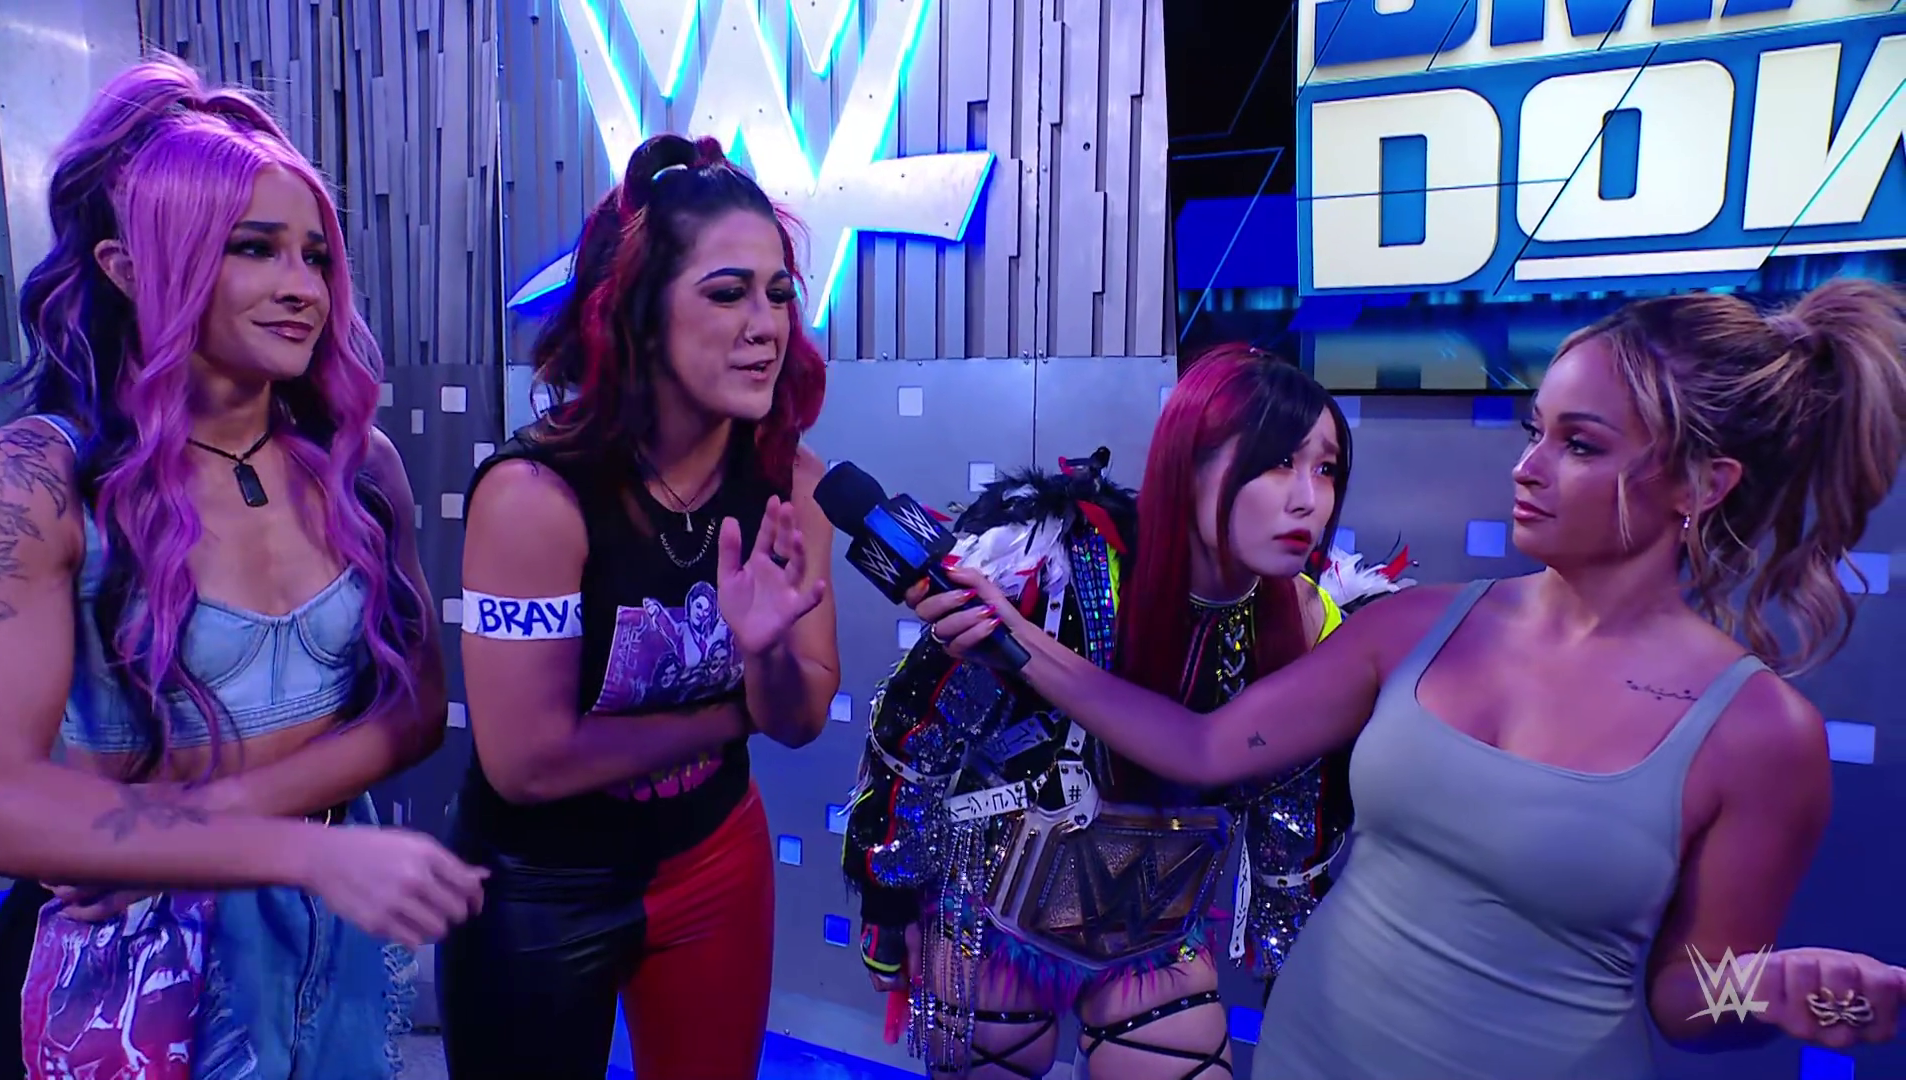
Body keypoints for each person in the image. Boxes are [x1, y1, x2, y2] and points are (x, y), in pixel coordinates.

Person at [919, 280, 1906, 1078]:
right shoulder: (1416, 626)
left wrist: (1762, 991)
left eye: (1579, 444)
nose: (1528, 467)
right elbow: (1204, 746)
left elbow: (1686, 1000)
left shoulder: (1761, 733)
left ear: (1702, 484)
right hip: (1310, 1056)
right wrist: (1013, 637)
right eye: (1534, 430)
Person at [0, 56, 485, 1080]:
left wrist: (230, 829)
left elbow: (415, 708)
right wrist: (293, 845)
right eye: (254, 249)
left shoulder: (357, 464)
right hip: (123, 960)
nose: (303, 288)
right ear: (127, 267)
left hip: (326, 935)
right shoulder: (36, 479)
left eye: (315, 256)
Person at [847, 349, 1413, 1079]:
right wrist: (888, 899)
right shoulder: (1053, 568)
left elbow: (1293, 820)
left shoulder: (1312, 626)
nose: (1308, 498)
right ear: (1190, 463)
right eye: (1276, 462)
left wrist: (1288, 967)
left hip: (1156, 930)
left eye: (1326, 468)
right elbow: (916, 736)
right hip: (993, 913)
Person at [437, 133, 839, 1080]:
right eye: (728, 293)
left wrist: (767, 658)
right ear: (639, 314)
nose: (767, 325)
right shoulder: (533, 498)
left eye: (779, 293)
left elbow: (799, 718)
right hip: (538, 884)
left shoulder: (794, 484)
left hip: (713, 854)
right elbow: (528, 763)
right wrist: (730, 713)